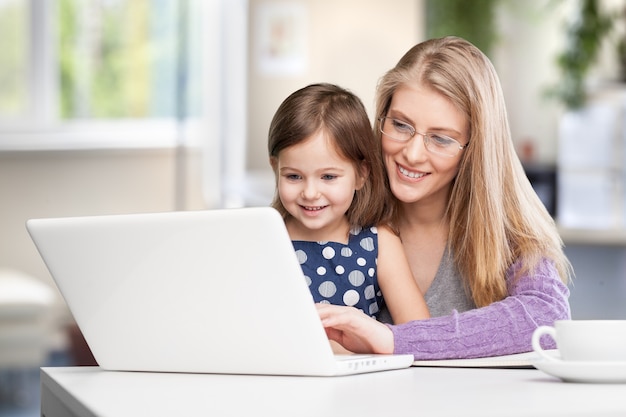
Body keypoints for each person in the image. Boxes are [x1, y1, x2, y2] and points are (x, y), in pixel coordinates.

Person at [316, 36, 572, 359]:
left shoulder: (509, 232)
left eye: (440, 139)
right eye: (400, 125)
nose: (411, 153)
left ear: (475, 149)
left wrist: (395, 341)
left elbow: (547, 318)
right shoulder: (337, 207)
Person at [268, 83, 430, 325]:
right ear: (275, 169)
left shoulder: (378, 242)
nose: (310, 193)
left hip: (357, 363)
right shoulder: (267, 238)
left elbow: (420, 331)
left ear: (361, 174)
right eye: (293, 176)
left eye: (328, 177)